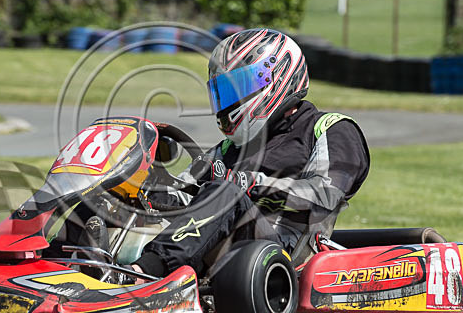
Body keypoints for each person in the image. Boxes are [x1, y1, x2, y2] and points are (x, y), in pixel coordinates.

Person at [130, 28, 370, 277]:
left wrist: (250, 183)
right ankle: (93, 265)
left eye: (241, 86)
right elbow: (189, 197)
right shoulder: (229, 149)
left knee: (225, 192)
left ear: (277, 77)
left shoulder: (329, 129)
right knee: (118, 194)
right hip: (222, 246)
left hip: (282, 257)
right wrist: (150, 190)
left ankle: (144, 273)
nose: (231, 99)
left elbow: (324, 195)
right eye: (224, 91)